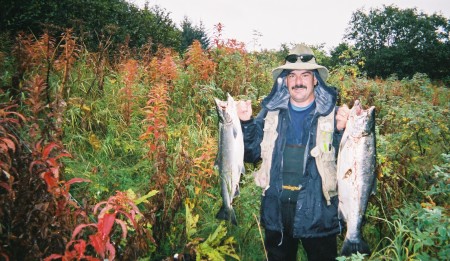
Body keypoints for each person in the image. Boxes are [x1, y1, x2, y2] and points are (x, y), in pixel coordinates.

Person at [237, 44, 350, 261]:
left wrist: (342, 132)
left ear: (316, 79)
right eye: (292, 76)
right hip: (276, 215)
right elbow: (250, 154)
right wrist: (245, 123)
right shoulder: (269, 114)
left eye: (305, 75)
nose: (298, 82)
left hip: (319, 216)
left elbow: (348, 166)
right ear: (286, 81)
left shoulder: (335, 117)